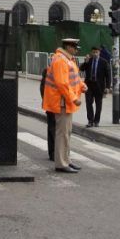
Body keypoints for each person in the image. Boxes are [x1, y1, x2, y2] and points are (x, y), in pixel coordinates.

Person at [42, 38, 86, 173]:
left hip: (65, 102)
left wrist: (82, 85)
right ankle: (61, 163)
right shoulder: (61, 60)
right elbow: (62, 83)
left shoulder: (67, 59)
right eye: (74, 48)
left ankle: (66, 160)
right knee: (62, 133)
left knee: (66, 133)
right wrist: (73, 98)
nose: (76, 50)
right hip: (62, 102)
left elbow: (74, 77)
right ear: (68, 47)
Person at [79, 46, 111, 127]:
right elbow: (81, 69)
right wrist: (85, 62)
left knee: (98, 104)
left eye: (96, 52)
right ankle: (90, 120)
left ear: (99, 53)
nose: (95, 54)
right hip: (89, 85)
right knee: (88, 103)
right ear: (91, 53)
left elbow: (108, 75)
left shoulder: (104, 62)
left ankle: (96, 121)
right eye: (93, 52)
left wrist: (107, 87)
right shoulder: (89, 61)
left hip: (99, 86)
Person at [38, 67, 55, 161]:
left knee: (51, 129)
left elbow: (42, 90)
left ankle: (52, 153)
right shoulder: (49, 75)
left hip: (49, 106)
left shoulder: (46, 74)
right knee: (53, 130)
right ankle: (53, 153)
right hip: (52, 106)